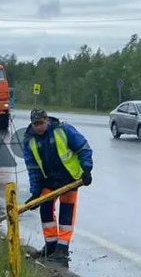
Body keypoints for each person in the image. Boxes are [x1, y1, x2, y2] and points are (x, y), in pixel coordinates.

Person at [22, 108, 93, 266]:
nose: (39, 127)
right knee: (45, 210)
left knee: (66, 214)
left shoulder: (63, 130)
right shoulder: (29, 140)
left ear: (47, 120)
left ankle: (62, 249)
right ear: (32, 124)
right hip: (48, 181)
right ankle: (51, 245)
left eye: (41, 123)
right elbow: (32, 168)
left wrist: (87, 169)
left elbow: (83, 148)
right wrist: (35, 193)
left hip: (69, 179)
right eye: (36, 124)